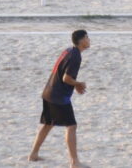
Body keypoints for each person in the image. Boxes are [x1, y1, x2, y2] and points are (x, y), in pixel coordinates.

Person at [29, 30, 91, 167]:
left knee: (48, 124)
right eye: (87, 37)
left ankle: (33, 154)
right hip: (58, 97)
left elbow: (63, 74)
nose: (89, 40)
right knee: (71, 126)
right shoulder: (75, 56)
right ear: (81, 41)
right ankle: (74, 162)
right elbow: (66, 78)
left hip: (48, 92)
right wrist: (77, 84)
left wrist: (74, 84)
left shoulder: (69, 50)